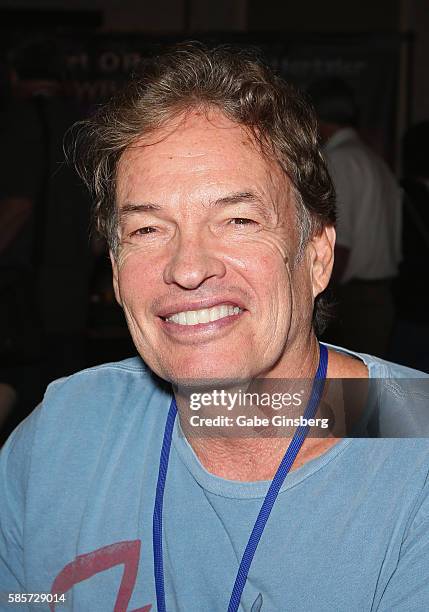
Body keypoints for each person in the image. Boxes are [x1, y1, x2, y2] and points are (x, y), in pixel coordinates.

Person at [0, 44, 428, 612]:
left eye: (238, 220)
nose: (187, 267)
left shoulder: (412, 441)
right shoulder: (60, 434)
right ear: (115, 270)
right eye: (148, 230)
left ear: (318, 256)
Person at [308, 78, 402, 358]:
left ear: (316, 117)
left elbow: (339, 243)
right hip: (380, 295)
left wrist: (320, 298)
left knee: (348, 393)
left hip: (354, 300)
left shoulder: (339, 160)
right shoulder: (374, 159)